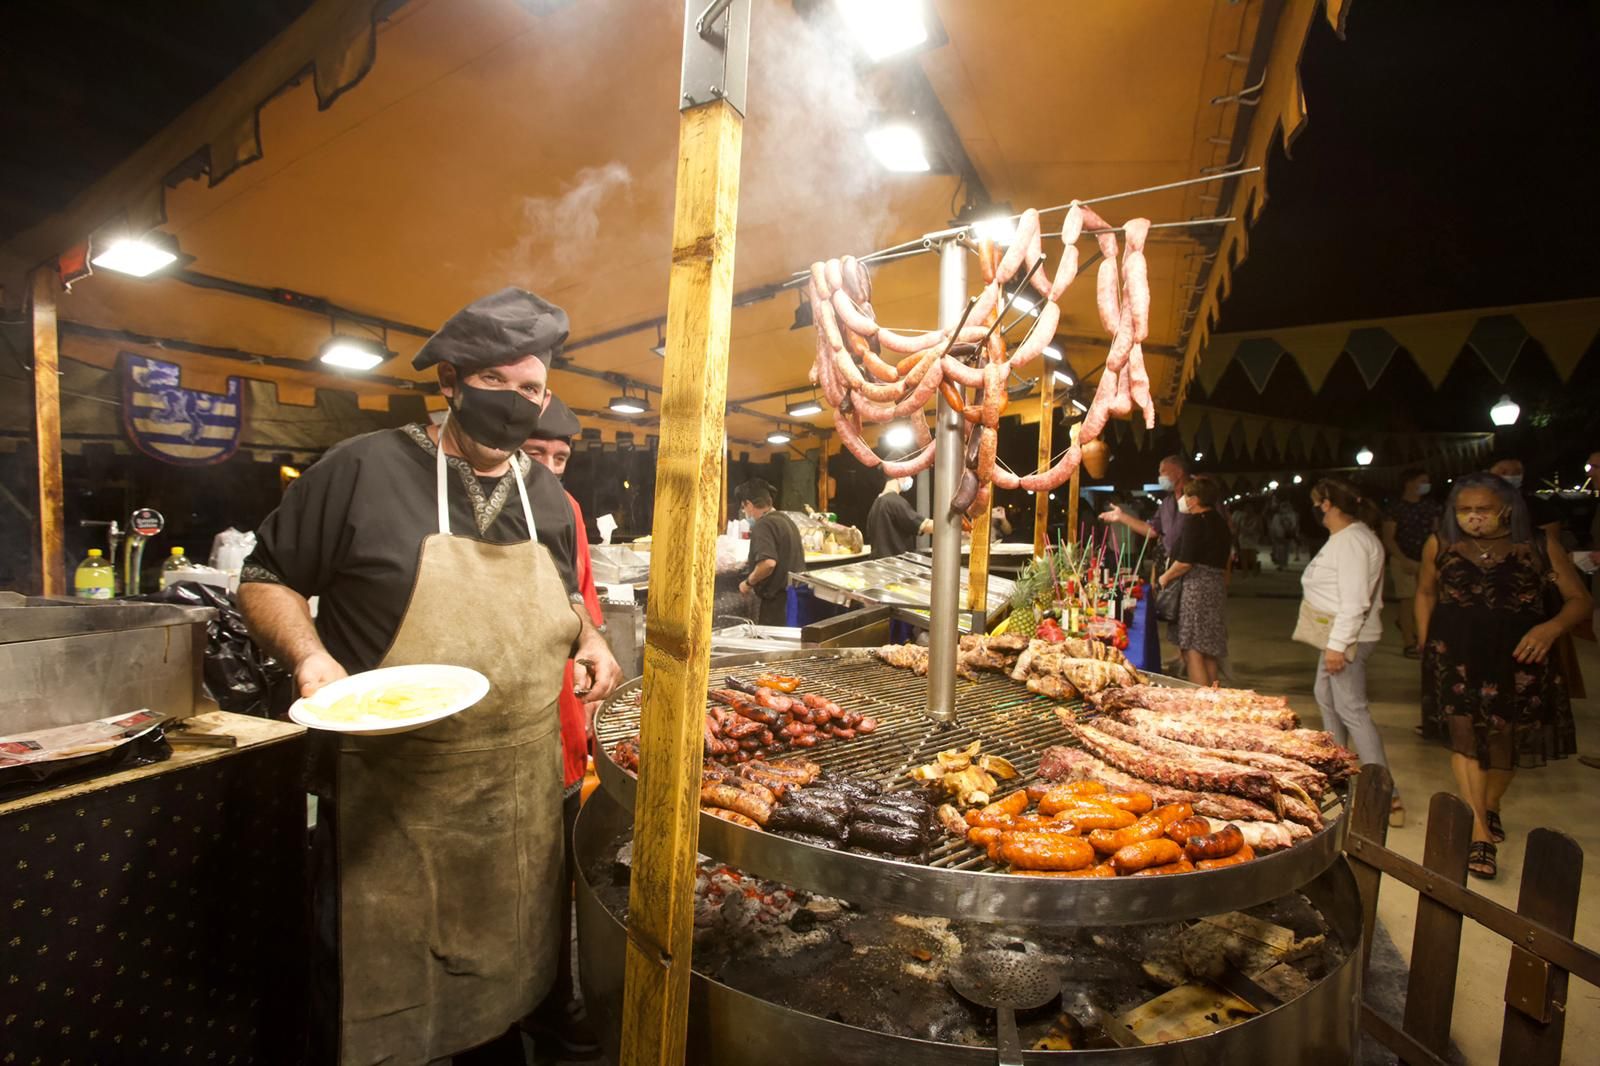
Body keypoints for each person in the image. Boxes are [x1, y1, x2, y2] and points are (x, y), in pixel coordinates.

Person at [239, 287, 623, 1065]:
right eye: (498, 383)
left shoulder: (544, 493)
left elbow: (562, 591)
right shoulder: (361, 468)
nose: (518, 405)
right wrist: (312, 658)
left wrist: (590, 637)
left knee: (503, 996)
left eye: (533, 389)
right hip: (390, 799)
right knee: (375, 1006)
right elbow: (264, 576)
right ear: (449, 381)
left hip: (515, 797)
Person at [1415, 473, 1592, 879]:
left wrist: (1549, 629)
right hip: (1455, 656)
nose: (1473, 519)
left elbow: (1580, 601)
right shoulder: (1440, 544)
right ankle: (1480, 829)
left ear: (1506, 510)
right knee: (1465, 741)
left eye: (1483, 510)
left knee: (1503, 742)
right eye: (1464, 511)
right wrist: (1426, 641)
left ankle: (1491, 805)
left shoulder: (1537, 547)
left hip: (1518, 657)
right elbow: (1426, 591)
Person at [518, 392, 604, 1058]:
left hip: (561, 728)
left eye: (559, 456)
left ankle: (552, 1005)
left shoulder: (567, 510)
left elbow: (586, 605)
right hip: (487, 736)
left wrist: (596, 651)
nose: (548, 467)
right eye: (534, 452)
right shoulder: (469, 502)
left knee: (555, 885)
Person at [1301, 479, 1402, 826]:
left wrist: (1338, 646)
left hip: (1346, 638)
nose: (1313, 508)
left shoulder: (1354, 541)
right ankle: (1337, 772)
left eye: (1316, 502)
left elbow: (1356, 600)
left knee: (1352, 709)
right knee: (1326, 698)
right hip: (1336, 636)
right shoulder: (1346, 538)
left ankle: (1384, 795)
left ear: (1327, 504)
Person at [1156, 474, 1230, 685]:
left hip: (1196, 589)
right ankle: (1213, 697)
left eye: (1188, 496)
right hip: (1215, 587)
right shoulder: (1219, 522)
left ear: (1195, 499)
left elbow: (1185, 562)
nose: (1185, 500)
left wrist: (1164, 577)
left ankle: (1201, 698)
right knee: (1208, 649)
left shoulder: (1195, 522)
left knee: (1192, 648)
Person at [1381, 469, 1440, 661]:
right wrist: (1403, 559)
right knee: (1407, 601)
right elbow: (1389, 538)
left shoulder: (1430, 507)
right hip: (1403, 559)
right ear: (1409, 482)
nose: (1426, 485)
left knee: (1426, 600)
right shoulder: (1396, 508)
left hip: (1427, 560)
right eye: (1423, 480)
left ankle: (1423, 637)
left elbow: (1436, 533)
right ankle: (1409, 642)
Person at [736, 479, 804, 626]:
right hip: (794, 601)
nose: (744, 512)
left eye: (744, 507)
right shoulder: (786, 520)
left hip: (776, 607)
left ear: (749, 504)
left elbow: (768, 563)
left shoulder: (763, 525)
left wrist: (748, 582)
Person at [1488, 456, 1563, 550]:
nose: (1511, 476)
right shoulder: (1474, 506)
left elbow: (1551, 545)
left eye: (1517, 472)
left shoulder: (1541, 507)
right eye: (1504, 472)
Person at [866, 474, 933, 559]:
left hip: (880, 563)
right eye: (907, 474)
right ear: (898, 475)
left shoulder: (877, 502)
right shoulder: (894, 501)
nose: (910, 478)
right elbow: (924, 526)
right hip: (895, 563)